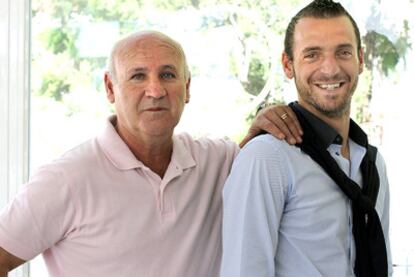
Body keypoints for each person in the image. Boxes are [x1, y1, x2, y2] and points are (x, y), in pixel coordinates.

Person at [0, 31, 301, 276]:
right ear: (109, 87)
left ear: (187, 87)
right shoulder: (65, 179)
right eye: (138, 76)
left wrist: (265, 122)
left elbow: (255, 167)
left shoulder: (217, 161)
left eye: (168, 75)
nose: (155, 90)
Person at [220, 1, 392, 277]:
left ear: (360, 59)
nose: (330, 69)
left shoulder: (373, 163)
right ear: (288, 65)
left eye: (343, 52)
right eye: (312, 54)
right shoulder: (266, 158)